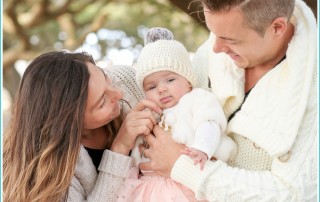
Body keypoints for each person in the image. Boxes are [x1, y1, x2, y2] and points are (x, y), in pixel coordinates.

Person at [139, 0, 318, 201]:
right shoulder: (210, 52)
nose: (215, 48)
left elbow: (295, 193)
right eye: (213, 33)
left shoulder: (313, 86)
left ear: (277, 27)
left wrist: (182, 167)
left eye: (230, 39)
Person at [3, 51, 161, 201]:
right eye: (102, 103)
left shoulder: (126, 80)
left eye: (106, 78)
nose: (119, 94)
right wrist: (119, 148)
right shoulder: (47, 170)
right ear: (70, 122)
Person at [115, 27, 237, 201]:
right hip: (150, 185)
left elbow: (209, 123)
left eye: (170, 80)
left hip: (184, 178)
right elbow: (138, 146)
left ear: (188, 81)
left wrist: (202, 148)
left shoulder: (196, 99)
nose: (162, 89)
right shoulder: (149, 112)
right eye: (152, 86)